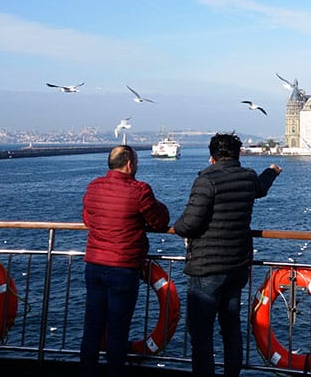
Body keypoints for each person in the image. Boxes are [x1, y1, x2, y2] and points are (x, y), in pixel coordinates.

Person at [172, 132, 282, 377]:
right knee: (231, 328)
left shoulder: (206, 180)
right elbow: (261, 188)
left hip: (207, 268)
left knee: (201, 334)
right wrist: (272, 171)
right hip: (237, 266)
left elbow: (189, 224)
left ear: (212, 156)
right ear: (238, 153)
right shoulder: (247, 178)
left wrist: (176, 227)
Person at [80, 145, 171, 377]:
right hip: (124, 267)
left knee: (92, 327)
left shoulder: (93, 187)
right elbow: (159, 220)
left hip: (94, 265)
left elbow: (88, 219)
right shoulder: (139, 190)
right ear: (130, 164)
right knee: (117, 330)